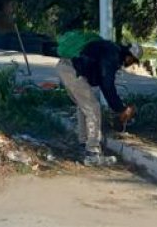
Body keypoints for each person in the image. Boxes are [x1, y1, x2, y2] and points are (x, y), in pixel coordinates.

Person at [56, 37, 141, 166]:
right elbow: (107, 85)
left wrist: (118, 107)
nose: (131, 64)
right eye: (133, 61)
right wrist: (121, 109)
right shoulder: (112, 56)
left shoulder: (111, 50)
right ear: (129, 56)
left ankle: (83, 143)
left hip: (65, 68)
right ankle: (93, 153)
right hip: (72, 72)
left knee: (83, 107)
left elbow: (102, 80)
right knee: (93, 108)